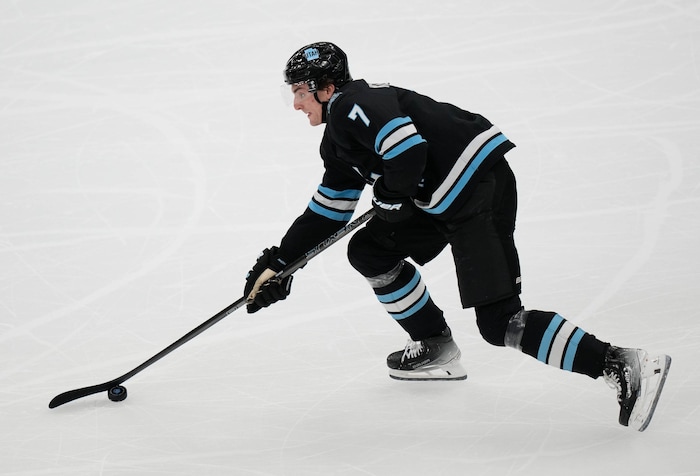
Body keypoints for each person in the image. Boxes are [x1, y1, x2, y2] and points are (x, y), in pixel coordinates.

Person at [243, 42, 671, 431]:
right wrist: (281, 262)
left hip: (478, 189)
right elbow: (328, 212)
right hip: (441, 199)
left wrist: (392, 194)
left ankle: (621, 363)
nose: (296, 104)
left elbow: (406, 149)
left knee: (500, 322)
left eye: (300, 91)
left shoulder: (353, 103)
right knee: (370, 250)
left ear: (326, 87)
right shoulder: (338, 141)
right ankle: (434, 345)